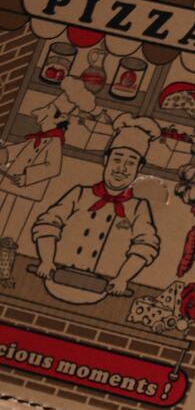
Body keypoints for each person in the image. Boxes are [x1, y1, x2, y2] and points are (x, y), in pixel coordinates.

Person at [32, 119, 160, 297]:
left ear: (139, 168)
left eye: (130, 163)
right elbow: (47, 224)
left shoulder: (138, 207)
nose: (121, 169)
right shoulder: (80, 194)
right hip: (57, 277)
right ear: (106, 160)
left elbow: (146, 246)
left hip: (101, 287)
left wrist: (123, 278)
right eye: (117, 159)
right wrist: (46, 260)